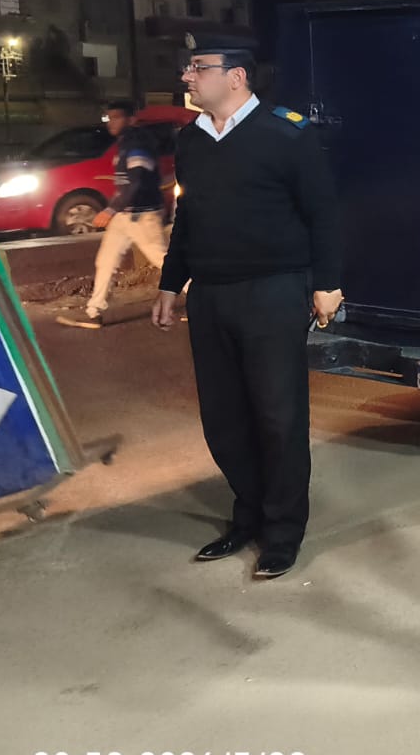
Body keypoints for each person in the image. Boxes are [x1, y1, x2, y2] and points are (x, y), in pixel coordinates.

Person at [151, 32, 343, 581]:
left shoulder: (286, 133)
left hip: (273, 291)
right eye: (188, 67)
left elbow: (324, 212)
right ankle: (249, 515)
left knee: (278, 416)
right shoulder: (191, 140)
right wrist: (171, 283)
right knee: (224, 417)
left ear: (236, 76)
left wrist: (328, 282)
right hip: (211, 294)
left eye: (198, 67)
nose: (187, 77)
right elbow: (188, 218)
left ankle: (282, 531)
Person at [58, 101, 168, 330]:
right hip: (124, 215)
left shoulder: (138, 143)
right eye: (109, 117)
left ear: (131, 119)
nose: (111, 123)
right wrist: (115, 209)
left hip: (141, 215)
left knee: (162, 260)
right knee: (106, 261)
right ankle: (94, 312)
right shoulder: (126, 142)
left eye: (117, 117)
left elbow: (136, 181)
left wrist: (110, 209)